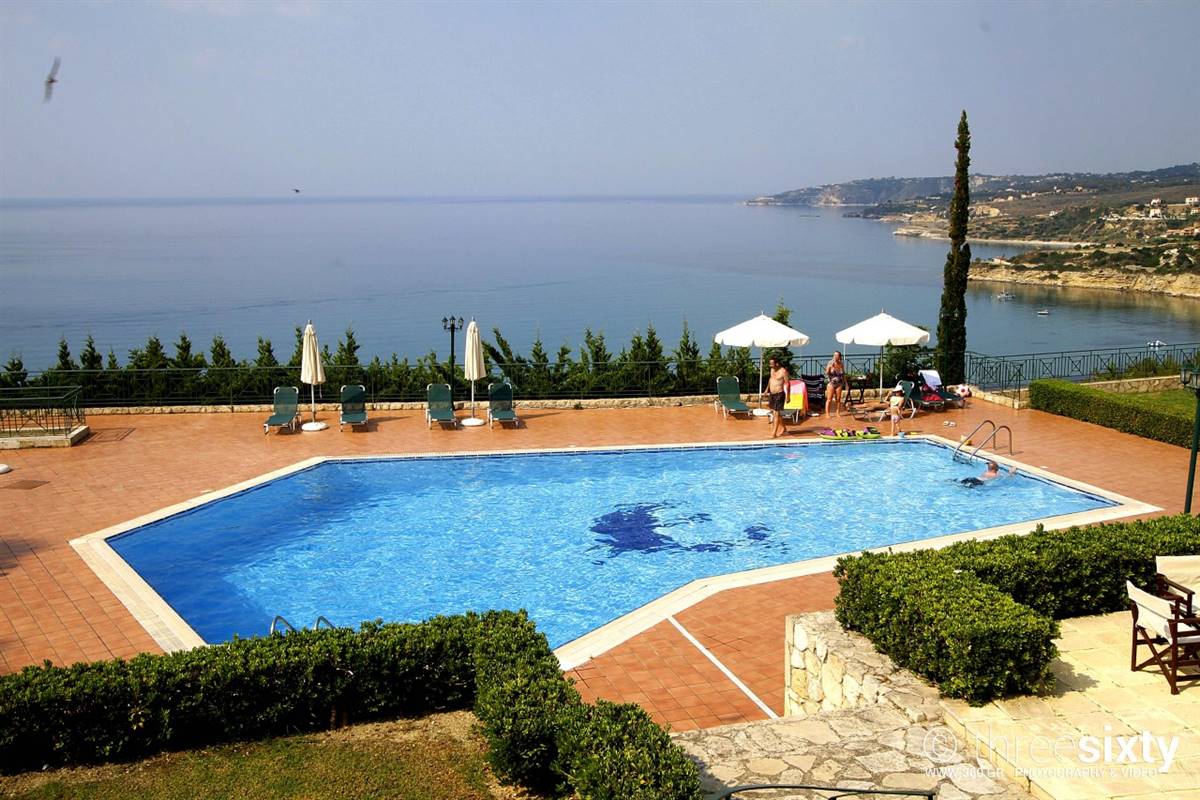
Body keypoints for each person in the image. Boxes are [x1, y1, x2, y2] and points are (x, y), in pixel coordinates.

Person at [765, 356, 790, 438]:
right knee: (777, 414)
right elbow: (771, 379)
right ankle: (783, 428)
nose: (770, 365)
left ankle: (774, 433)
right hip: (772, 394)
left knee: (776, 414)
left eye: (772, 364)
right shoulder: (772, 369)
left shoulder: (783, 371)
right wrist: (767, 389)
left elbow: (788, 384)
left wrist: (788, 396)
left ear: (777, 364)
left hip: (779, 394)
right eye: (770, 364)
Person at [824, 351, 846, 417]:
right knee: (829, 399)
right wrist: (830, 367)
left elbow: (843, 374)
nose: (835, 356)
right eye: (834, 355)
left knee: (838, 399)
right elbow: (826, 373)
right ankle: (827, 413)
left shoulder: (841, 364)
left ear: (839, 357)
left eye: (837, 355)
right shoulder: (830, 363)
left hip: (839, 383)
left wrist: (846, 384)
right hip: (831, 383)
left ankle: (837, 413)